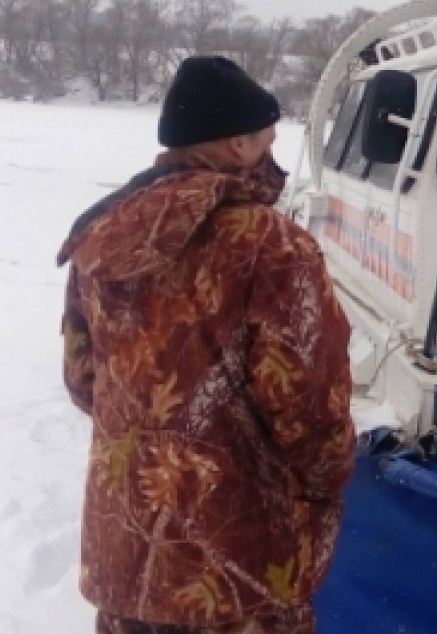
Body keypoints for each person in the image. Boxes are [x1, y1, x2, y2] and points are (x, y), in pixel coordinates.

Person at [58, 57, 355, 633]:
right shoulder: (273, 247)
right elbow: (310, 412)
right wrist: (322, 488)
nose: (274, 148)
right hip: (240, 573)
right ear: (238, 145)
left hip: (126, 562)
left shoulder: (100, 234)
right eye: (268, 136)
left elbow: (82, 378)